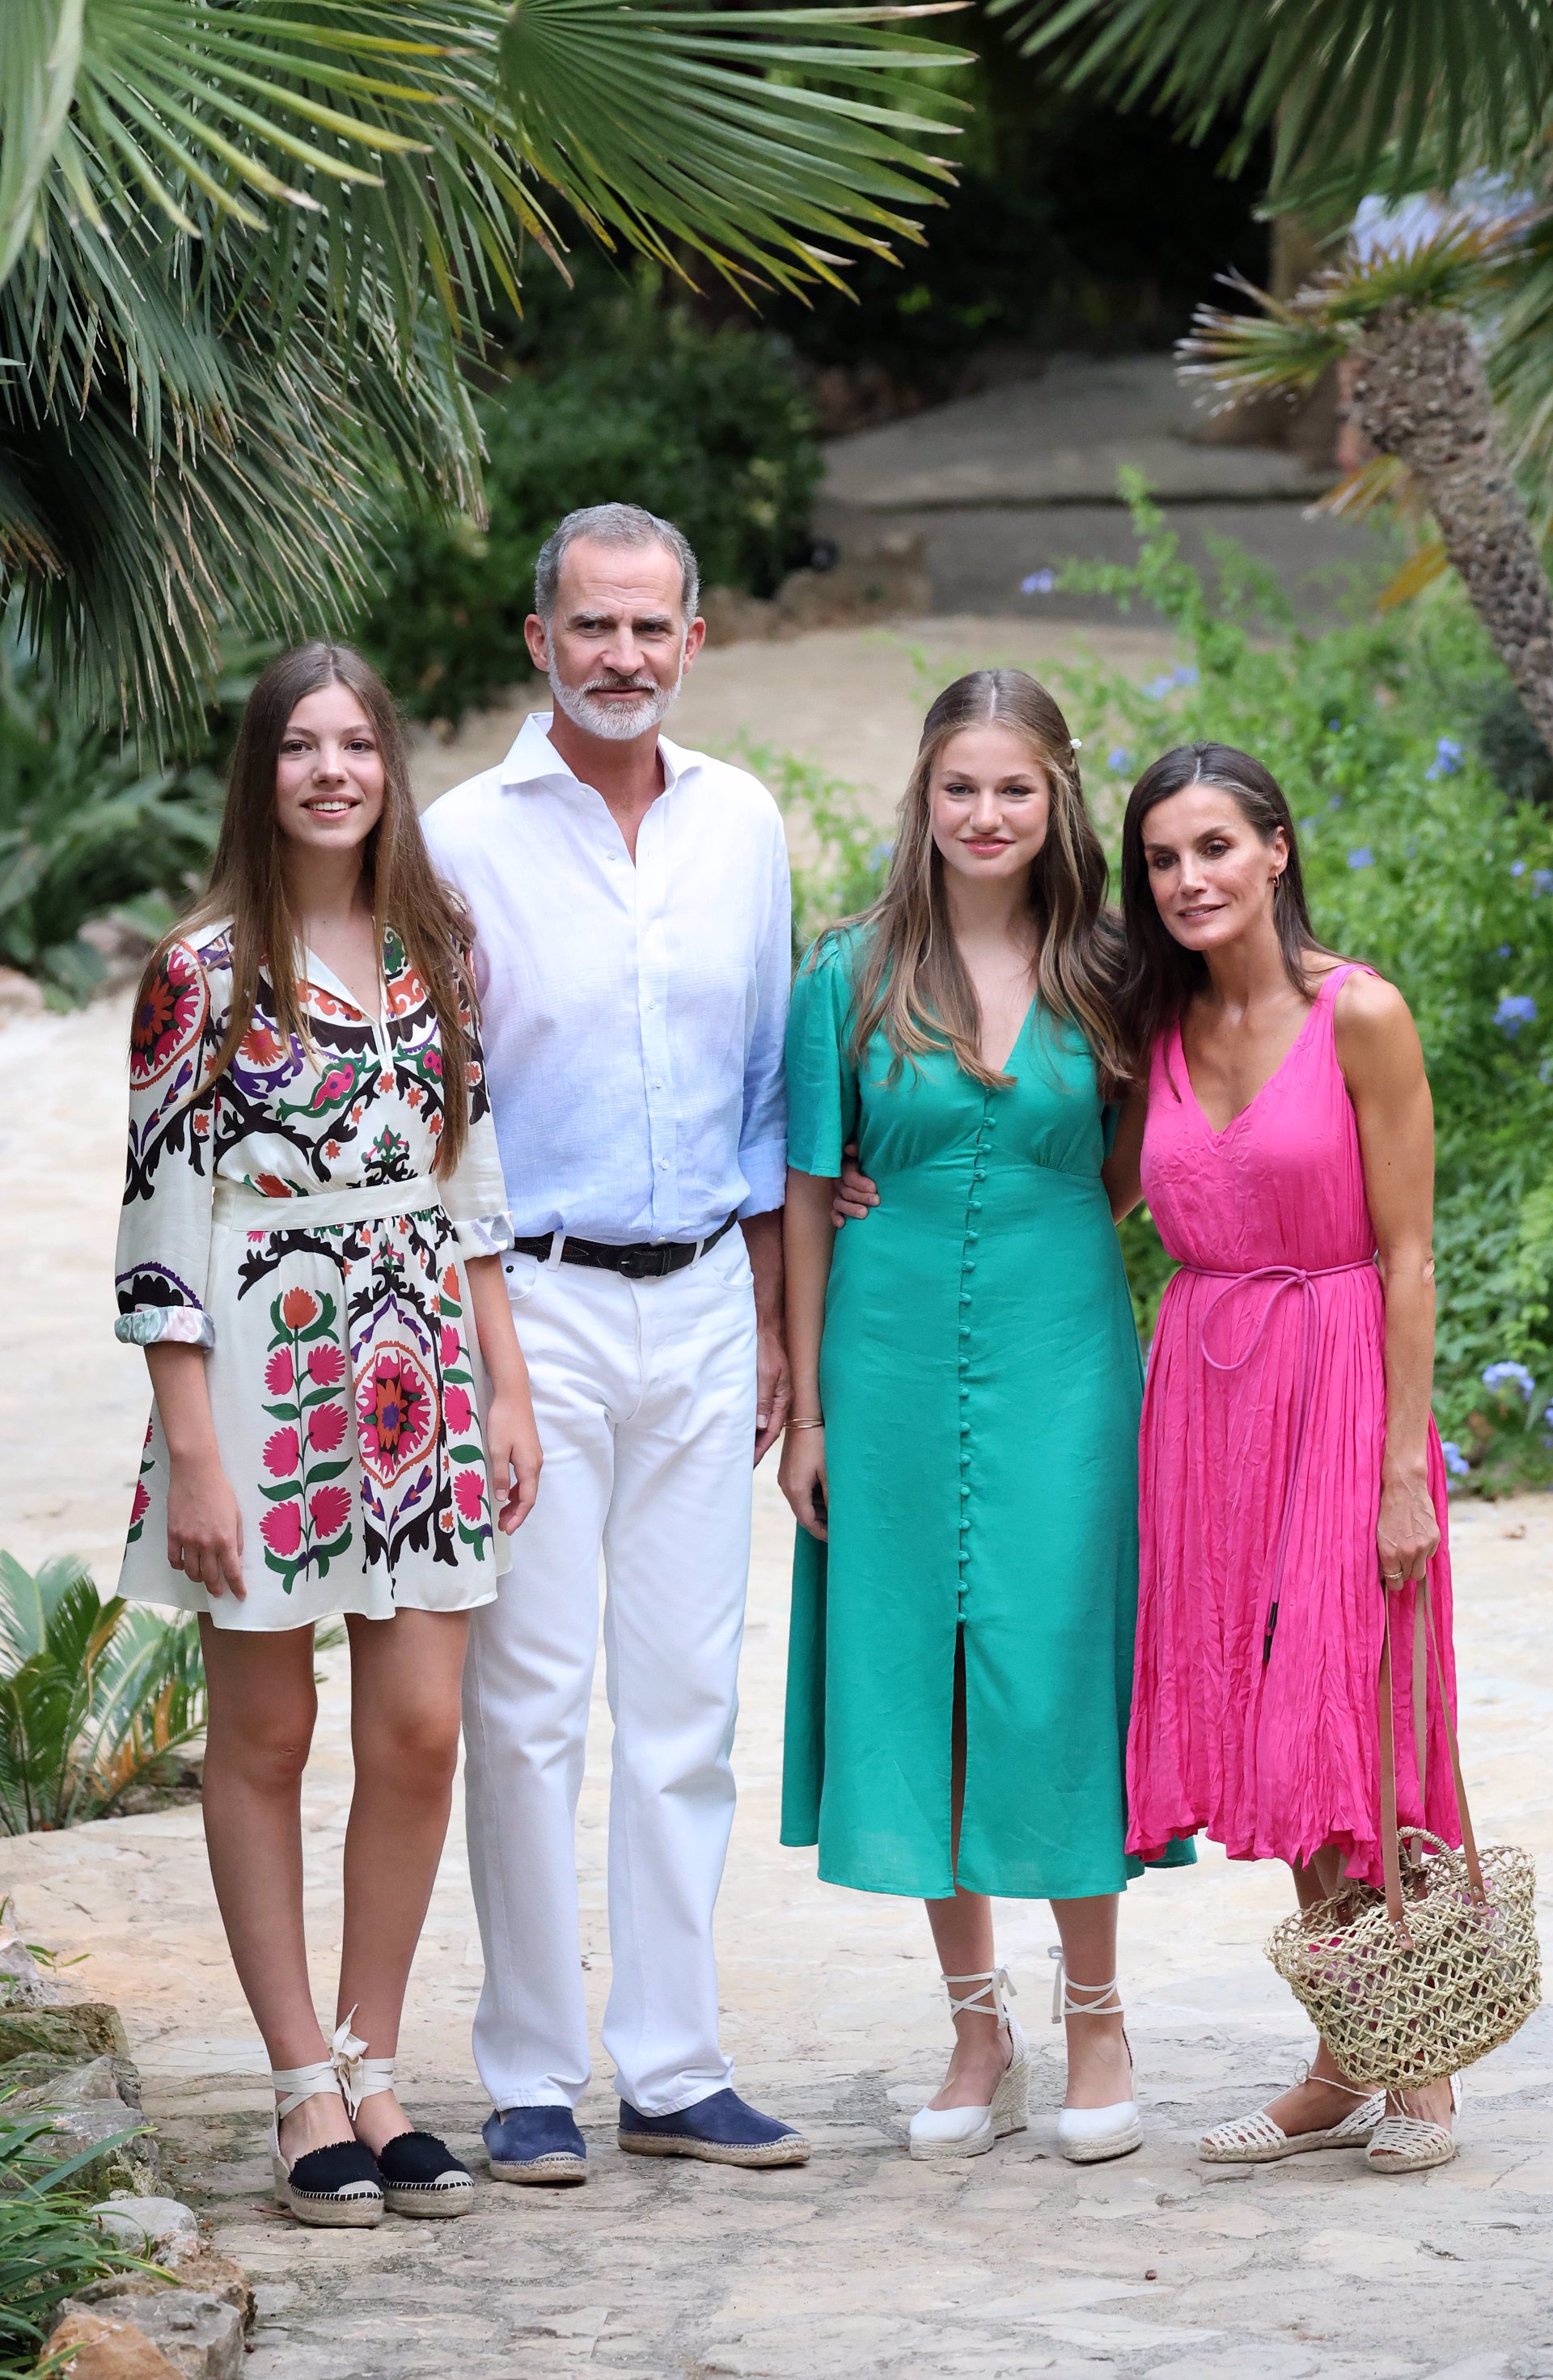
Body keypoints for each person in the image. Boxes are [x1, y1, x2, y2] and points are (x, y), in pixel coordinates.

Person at [116, 642, 543, 2226]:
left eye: (357, 742)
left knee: (420, 1722)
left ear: (389, 767)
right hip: (258, 1371)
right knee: (268, 1732)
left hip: (419, 1354)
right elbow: (156, 1230)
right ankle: (301, 2074)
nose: (331, 770)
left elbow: (474, 1174)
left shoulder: (439, 947)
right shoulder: (202, 972)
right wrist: (195, 1451)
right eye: (300, 745)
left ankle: (374, 2054)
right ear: (263, 771)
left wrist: (504, 1378)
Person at [422, 501, 806, 2179]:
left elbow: (775, 1091)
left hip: (712, 1294)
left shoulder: (748, 824)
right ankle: (526, 2069)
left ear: (696, 640)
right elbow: (447, 1114)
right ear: (540, 639)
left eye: (654, 627)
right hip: (539, 1302)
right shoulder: (456, 838)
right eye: (594, 626)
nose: (625, 656)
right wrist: (478, 1354)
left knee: (683, 1707)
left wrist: (784, 1322)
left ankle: (671, 2060)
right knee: (527, 1701)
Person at [780, 670, 1191, 2168]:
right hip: (882, 1363)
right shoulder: (848, 973)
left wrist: (1024, 1212)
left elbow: (1144, 1160)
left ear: (1057, 797)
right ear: (924, 796)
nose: (985, 813)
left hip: (1063, 1353)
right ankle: (975, 2025)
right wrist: (810, 1409)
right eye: (960, 786)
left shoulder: (1117, 975)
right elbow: (809, 1194)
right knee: (920, 1671)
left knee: (1050, 1664)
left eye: (1014, 787)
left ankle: (1097, 2013)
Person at [1109, 740, 1464, 2174]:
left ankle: (1421, 2062)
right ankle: (1341, 2050)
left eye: (1212, 848)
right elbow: (1094, 1190)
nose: (1188, 880)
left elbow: (1411, 1250)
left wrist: (1396, 1467)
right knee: (1280, 1729)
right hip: (1206, 1407)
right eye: (1161, 859)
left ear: (1275, 849)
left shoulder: (1360, 1013)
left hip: (1342, 1383)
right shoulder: (1153, 1034)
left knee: (1363, 1709)